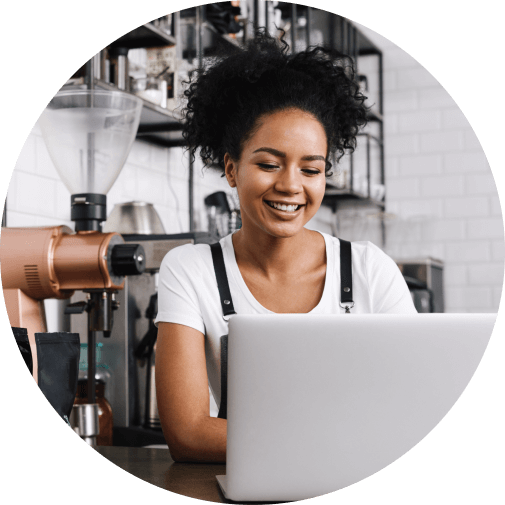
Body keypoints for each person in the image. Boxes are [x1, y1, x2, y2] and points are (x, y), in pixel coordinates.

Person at [154, 29, 417, 463]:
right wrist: (340, 443)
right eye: (269, 164)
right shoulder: (191, 270)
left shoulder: (370, 269)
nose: (291, 186)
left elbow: (410, 407)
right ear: (232, 169)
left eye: (311, 169)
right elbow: (188, 434)